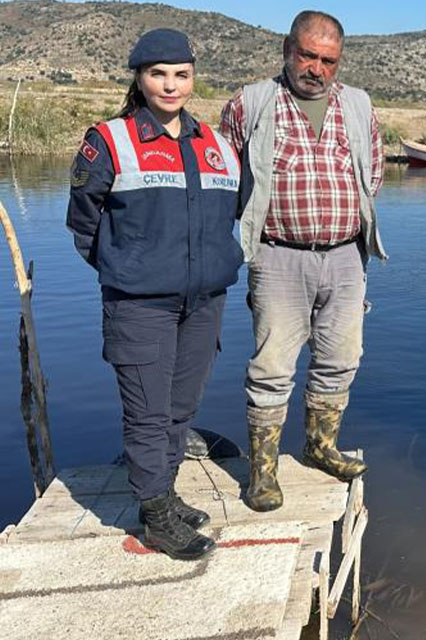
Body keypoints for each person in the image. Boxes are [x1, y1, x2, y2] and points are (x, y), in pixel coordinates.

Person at [66, 29, 243, 560]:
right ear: (139, 78)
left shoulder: (215, 145)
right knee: (146, 414)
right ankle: (156, 516)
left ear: (193, 78)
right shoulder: (110, 140)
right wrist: (131, 269)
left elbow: (230, 215)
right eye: (157, 73)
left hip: (204, 302)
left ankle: (162, 494)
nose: (170, 85)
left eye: (181, 74)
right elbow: (84, 225)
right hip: (140, 304)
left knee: (179, 410)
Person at [220, 10, 385, 512]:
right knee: (271, 367)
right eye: (307, 55)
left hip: (345, 259)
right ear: (286, 50)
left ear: (339, 62)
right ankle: (263, 473)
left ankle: (320, 446)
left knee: (340, 360)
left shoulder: (358, 105)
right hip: (277, 257)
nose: (316, 68)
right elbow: (223, 176)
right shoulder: (251, 102)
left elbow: (371, 173)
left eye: (328, 60)